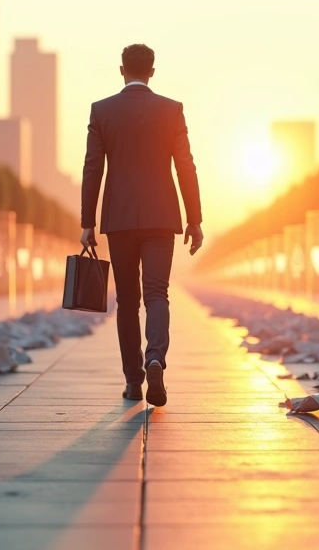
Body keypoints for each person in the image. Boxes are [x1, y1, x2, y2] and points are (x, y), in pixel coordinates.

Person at [80, 44, 203, 407]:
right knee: (157, 294)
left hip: (118, 220)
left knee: (128, 302)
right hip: (162, 217)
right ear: (152, 71)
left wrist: (88, 222)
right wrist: (194, 219)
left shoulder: (102, 111)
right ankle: (155, 359)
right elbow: (186, 166)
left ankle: (134, 382)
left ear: (122, 70)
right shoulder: (172, 110)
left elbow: (92, 167)